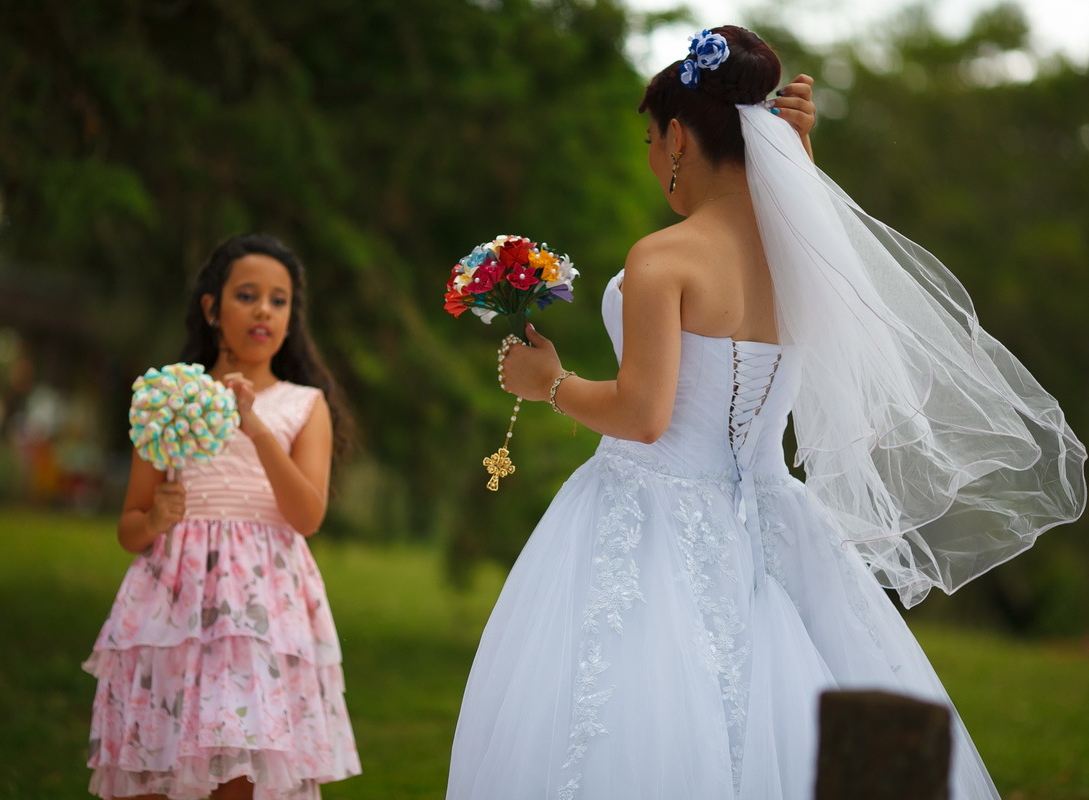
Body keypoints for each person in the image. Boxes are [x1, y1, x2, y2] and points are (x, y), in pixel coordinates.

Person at [446, 26, 1085, 800]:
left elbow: (644, 416)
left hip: (650, 514)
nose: (653, 159)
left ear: (679, 137)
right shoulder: (805, 255)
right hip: (773, 520)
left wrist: (548, 382)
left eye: (652, 140)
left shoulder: (664, 257)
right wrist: (796, 154)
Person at [84, 234, 361, 800]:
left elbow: (307, 516)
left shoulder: (304, 405)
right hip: (173, 606)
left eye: (279, 301)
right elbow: (130, 526)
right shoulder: (170, 398)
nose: (264, 311)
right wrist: (155, 519)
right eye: (247, 295)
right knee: (156, 764)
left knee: (240, 770)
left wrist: (254, 427)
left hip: (261, 610)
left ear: (290, 318)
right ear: (212, 308)